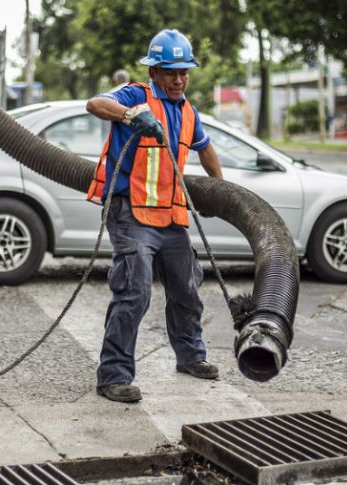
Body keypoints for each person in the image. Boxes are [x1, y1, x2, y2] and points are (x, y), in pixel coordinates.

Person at [86, 29, 224, 403]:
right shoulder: (137, 96)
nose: (178, 79)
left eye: (184, 72)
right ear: (155, 72)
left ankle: (191, 356)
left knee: (187, 287)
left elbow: (206, 150)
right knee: (134, 292)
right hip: (130, 214)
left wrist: (221, 192)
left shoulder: (188, 111)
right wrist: (131, 116)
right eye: (170, 72)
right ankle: (113, 376)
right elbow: (95, 104)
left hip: (169, 217)